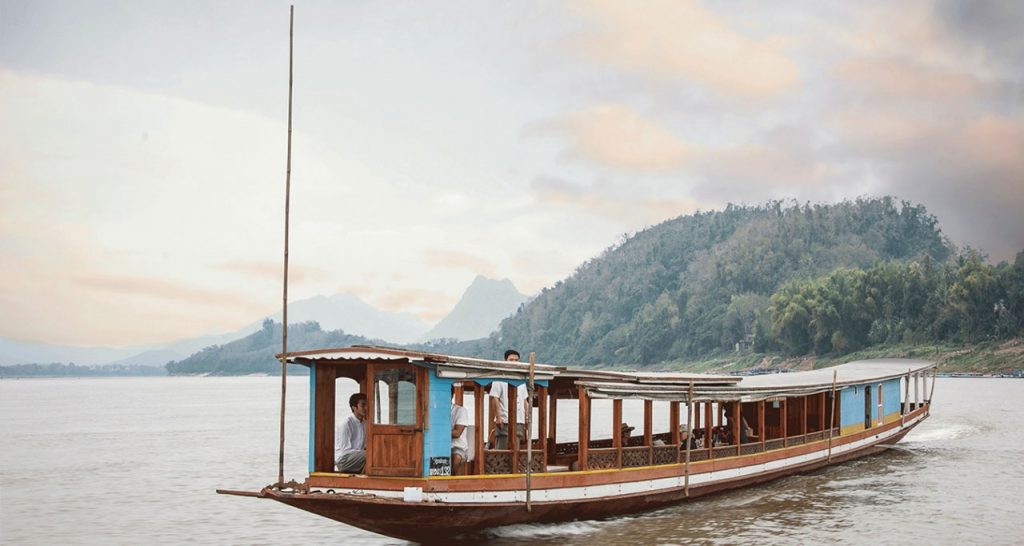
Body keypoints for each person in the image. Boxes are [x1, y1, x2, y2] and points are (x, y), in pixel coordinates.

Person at [485, 350, 527, 449]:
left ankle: (514, 465)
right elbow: (495, 398)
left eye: (516, 360)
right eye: (511, 359)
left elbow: (525, 400)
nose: (514, 362)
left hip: (519, 420)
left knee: (516, 447)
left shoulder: (521, 380)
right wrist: (499, 417)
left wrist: (526, 418)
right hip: (505, 420)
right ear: (505, 361)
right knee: (502, 448)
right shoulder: (499, 378)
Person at [336, 393, 367, 473]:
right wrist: (365, 452)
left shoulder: (365, 423)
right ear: (354, 408)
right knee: (370, 454)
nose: (366, 408)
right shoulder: (346, 424)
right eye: (363, 405)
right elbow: (345, 451)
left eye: (367, 405)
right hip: (344, 460)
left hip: (358, 458)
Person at [450, 389, 472, 475]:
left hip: (458, 448)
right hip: (441, 447)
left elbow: (457, 433)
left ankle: (450, 480)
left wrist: (439, 432)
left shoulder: (460, 411)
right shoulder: (435, 411)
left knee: (456, 457)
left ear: (451, 396)